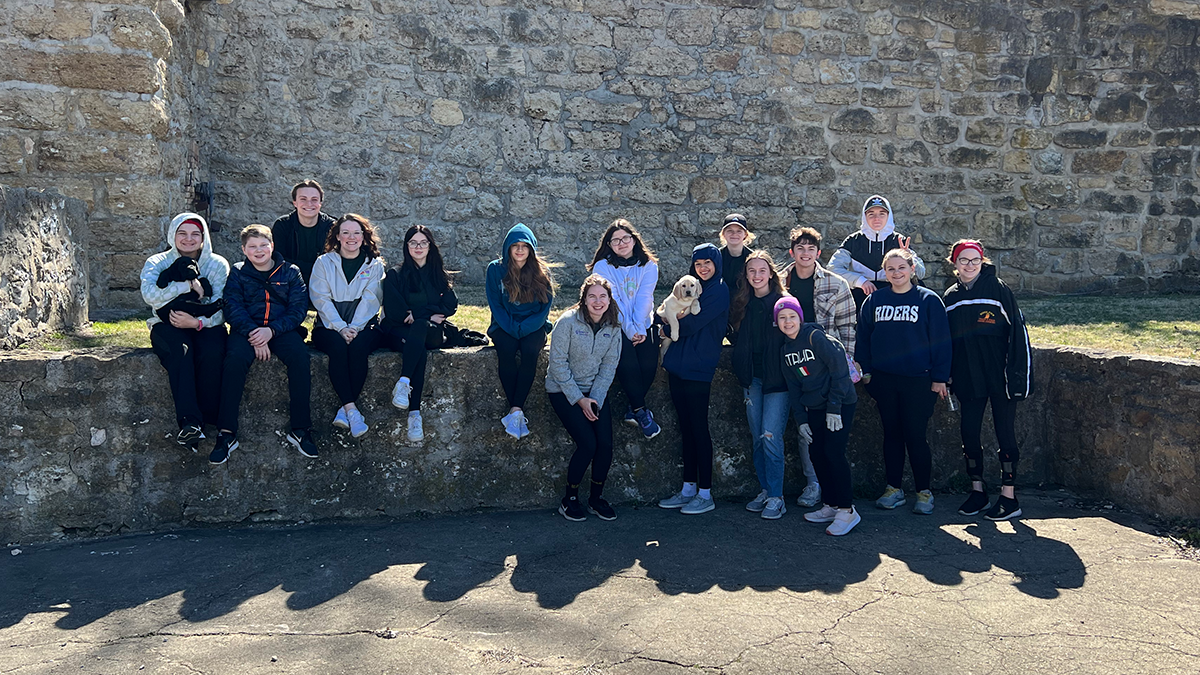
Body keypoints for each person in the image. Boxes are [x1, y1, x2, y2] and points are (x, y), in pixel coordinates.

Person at [211, 224, 318, 464]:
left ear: (272, 246)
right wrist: (254, 334)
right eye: (252, 247)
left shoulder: (291, 272)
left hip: (282, 329)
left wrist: (270, 331)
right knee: (235, 360)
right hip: (246, 330)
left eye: (263, 245)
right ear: (244, 250)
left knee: (300, 358)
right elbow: (233, 307)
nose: (258, 251)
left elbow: (299, 308)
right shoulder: (237, 273)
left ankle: (301, 429)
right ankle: (227, 433)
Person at [856, 248, 951, 514]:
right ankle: (893, 488)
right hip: (884, 380)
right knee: (892, 435)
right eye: (891, 269)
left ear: (911, 269)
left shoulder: (928, 300)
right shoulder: (874, 301)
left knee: (916, 436)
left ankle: (924, 492)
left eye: (901, 268)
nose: (896, 273)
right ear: (884, 273)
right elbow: (863, 338)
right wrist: (867, 373)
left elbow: (942, 341)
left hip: (919, 381)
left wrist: (940, 378)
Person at [943, 240, 1032, 521]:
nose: (969, 265)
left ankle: (1009, 496)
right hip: (968, 376)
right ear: (954, 264)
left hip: (1000, 375)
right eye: (963, 260)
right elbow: (947, 342)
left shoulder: (998, 289)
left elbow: (1018, 334)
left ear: (982, 261)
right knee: (969, 432)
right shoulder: (950, 297)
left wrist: (1018, 375)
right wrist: (946, 375)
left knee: (1004, 433)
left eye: (975, 260)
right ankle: (977, 490)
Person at [779, 226, 858, 509]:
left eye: (811, 249)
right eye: (800, 248)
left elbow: (847, 327)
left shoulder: (836, 283)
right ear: (792, 252)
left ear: (819, 253)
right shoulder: (780, 282)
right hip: (795, 361)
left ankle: (841, 504)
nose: (805, 253)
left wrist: (846, 368)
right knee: (809, 434)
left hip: (828, 367)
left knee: (831, 445)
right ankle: (818, 488)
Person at [140, 212, 230, 448]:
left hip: (205, 323)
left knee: (211, 352)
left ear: (203, 238)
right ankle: (190, 422)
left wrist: (197, 323)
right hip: (168, 323)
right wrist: (186, 285)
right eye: (182, 233)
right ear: (173, 235)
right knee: (180, 351)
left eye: (194, 234)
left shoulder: (217, 264)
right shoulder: (157, 262)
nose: (188, 239)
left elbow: (222, 306)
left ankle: (209, 418)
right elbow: (151, 296)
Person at [776, 297, 861, 536]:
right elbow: (794, 388)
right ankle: (831, 504)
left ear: (800, 317)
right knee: (817, 453)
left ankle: (847, 509)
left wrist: (834, 407)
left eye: (792, 316)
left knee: (834, 453)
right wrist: (801, 420)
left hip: (840, 402)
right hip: (813, 407)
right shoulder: (785, 351)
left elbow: (839, 369)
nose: (788, 321)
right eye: (782, 318)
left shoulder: (815, 337)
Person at [657, 244, 731, 515]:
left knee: (699, 429)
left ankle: (705, 493)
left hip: (700, 366)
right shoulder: (688, 288)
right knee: (685, 428)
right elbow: (667, 311)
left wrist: (666, 327)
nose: (703, 268)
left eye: (708, 263)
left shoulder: (718, 291)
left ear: (716, 264)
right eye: (698, 263)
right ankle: (688, 488)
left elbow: (690, 324)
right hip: (678, 365)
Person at [547, 275, 623, 522]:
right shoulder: (567, 322)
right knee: (588, 444)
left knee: (606, 445)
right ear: (584, 299)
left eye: (603, 296)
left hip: (595, 392)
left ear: (609, 299)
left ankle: (596, 498)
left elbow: (609, 367)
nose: (598, 301)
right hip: (563, 390)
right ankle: (569, 499)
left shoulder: (613, 326)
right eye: (592, 296)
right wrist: (579, 399)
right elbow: (557, 364)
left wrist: (596, 399)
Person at [309, 214, 386, 438]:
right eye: (345, 232)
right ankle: (352, 410)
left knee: (359, 348)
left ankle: (345, 410)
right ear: (337, 237)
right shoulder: (323, 262)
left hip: (364, 326)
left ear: (364, 237)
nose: (351, 237)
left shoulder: (375, 264)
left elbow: (372, 299)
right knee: (338, 348)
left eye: (356, 233)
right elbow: (320, 299)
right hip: (329, 326)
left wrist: (353, 327)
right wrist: (341, 327)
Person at [381, 224, 459, 443]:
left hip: (431, 332)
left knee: (420, 327)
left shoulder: (439, 275)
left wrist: (417, 313)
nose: (418, 247)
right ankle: (414, 414)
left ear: (430, 246)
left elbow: (450, 306)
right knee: (418, 350)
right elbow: (394, 311)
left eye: (423, 242)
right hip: (401, 333)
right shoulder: (395, 275)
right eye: (413, 242)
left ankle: (404, 382)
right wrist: (428, 313)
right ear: (407, 246)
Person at [727, 251, 788, 519]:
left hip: (778, 380)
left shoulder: (783, 303)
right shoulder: (741, 303)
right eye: (751, 271)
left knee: (771, 437)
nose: (756, 275)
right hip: (751, 378)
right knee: (757, 439)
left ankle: (777, 496)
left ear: (771, 273)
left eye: (762, 270)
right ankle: (765, 488)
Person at [588, 218, 661, 439]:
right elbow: (614, 301)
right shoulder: (603, 267)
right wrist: (629, 331)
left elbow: (644, 297)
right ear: (609, 245)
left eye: (625, 238)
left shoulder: (649, 266)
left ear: (634, 240)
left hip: (643, 321)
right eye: (615, 240)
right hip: (614, 322)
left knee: (648, 362)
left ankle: (633, 408)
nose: (621, 243)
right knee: (626, 358)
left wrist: (639, 329)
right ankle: (640, 411)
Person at [486, 223, 555, 440]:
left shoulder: (542, 272)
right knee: (505, 350)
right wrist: (511, 327)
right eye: (515, 245)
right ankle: (515, 410)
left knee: (530, 351)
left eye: (524, 246)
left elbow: (545, 307)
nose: (519, 250)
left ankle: (516, 410)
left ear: (531, 249)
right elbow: (495, 304)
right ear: (508, 247)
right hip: (504, 323)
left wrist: (525, 328)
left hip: (533, 325)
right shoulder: (495, 269)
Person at [829, 195, 927, 309]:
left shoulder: (899, 241)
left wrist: (909, 257)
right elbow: (833, 269)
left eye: (882, 214)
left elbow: (921, 273)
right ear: (864, 217)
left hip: (894, 294)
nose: (877, 218)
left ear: (888, 216)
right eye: (871, 214)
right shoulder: (853, 241)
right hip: (861, 295)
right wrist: (860, 281)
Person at [271, 179, 337, 286]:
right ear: (295, 203)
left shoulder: (332, 227)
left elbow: (334, 262)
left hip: (324, 282)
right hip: (290, 282)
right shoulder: (282, 225)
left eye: (314, 199)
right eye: (303, 199)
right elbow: (279, 259)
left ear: (320, 203)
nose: (309, 204)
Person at [718, 213, 756, 291]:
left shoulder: (753, 258)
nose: (734, 234)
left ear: (745, 234)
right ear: (723, 234)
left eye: (739, 231)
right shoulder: (716, 256)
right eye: (730, 231)